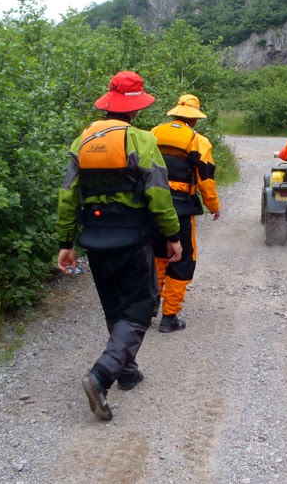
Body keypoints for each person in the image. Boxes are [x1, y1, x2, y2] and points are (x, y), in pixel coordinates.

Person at [56, 70, 182, 422]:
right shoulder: (141, 140)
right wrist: (173, 236)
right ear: (135, 109)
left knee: (115, 305)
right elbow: (159, 195)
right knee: (141, 308)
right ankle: (102, 375)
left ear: (108, 104)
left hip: (95, 238)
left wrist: (66, 242)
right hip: (132, 236)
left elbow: (67, 196)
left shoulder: (81, 142)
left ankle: (127, 372)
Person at [150, 94, 221, 333]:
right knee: (182, 260)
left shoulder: (153, 133)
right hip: (180, 208)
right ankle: (169, 317)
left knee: (158, 256)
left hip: (153, 207)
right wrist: (214, 206)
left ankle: (149, 306)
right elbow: (206, 179)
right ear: (194, 118)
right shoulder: (198, 141)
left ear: (176, 112)